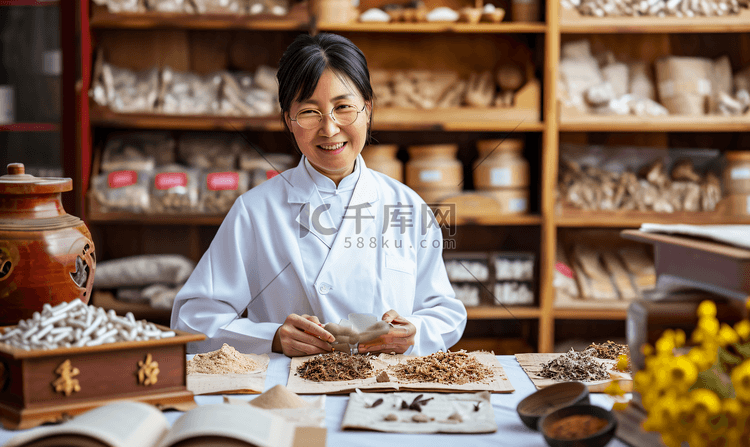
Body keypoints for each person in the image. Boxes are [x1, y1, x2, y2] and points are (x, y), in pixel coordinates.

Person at [171, 33, 466, 357]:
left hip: (385, 394)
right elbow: (191, 321)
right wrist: (271, 338)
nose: (329, 128)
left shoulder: (407, 206)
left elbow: (444, 312)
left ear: (367, 109)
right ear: (289, 120)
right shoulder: (255, 211)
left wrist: (414, 333)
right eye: (310, 112)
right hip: (289, 396)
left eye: (343, 107)